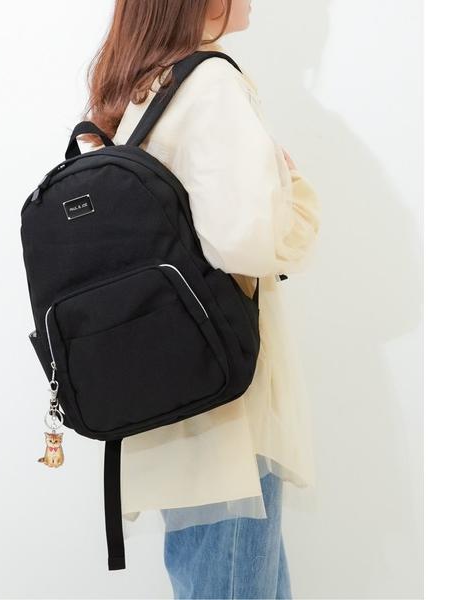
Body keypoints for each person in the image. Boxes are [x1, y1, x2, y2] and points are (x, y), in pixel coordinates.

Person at [80, 1, 321, 597]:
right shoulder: (210, 82)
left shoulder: (143, 87)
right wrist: (294, 194)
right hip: (225, 414)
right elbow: (245, 241)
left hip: (178, 401)